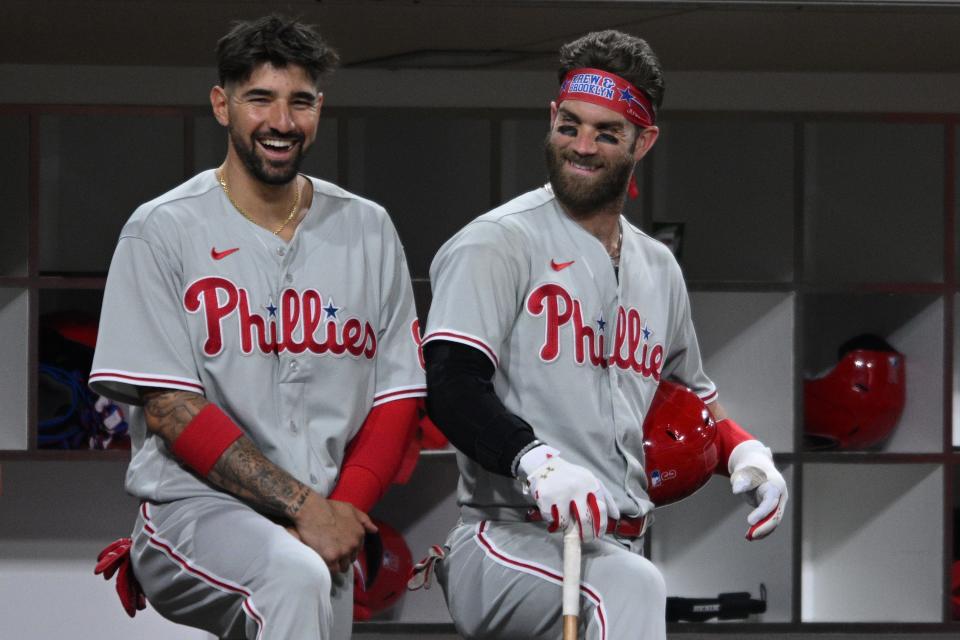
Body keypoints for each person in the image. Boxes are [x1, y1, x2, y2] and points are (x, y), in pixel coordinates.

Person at [421, 30, 788, 640]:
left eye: (606, 132)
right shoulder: (497, 241)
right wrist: (530, 459)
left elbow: (690, 395)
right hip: (508, 536)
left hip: (618, 545)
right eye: (569, 125)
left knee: (629, 580)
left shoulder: (657, 267)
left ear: (644, 141)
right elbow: (451, 385)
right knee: (632, 586)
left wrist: (746, 452)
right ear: (552, 117)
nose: (581, 146)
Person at [89, 15, 425, 639]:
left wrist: (341, 510)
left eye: (300, 102)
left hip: (325, 514)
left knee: (306, 586)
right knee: (292, 577)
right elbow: (169, 409)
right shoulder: (163, 228)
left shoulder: (368, 227)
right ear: (222, 104)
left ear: (319, 109)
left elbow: (397, 394)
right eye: (260, 99)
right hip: (193, 509)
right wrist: (307, 510)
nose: (281, 121)